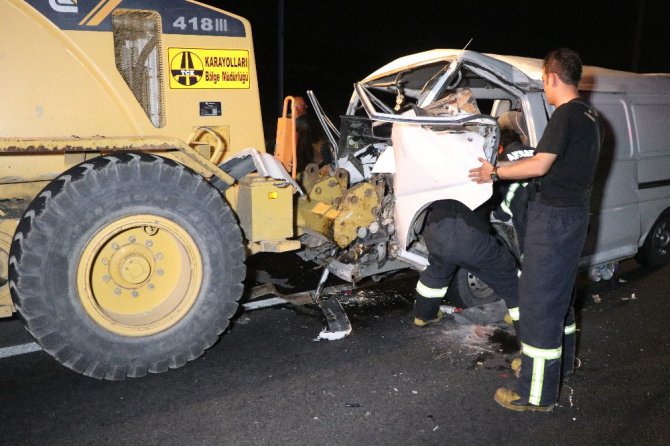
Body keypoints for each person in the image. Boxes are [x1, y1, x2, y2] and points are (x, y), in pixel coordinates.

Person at [469, 48, 602, 412]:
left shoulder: (566, 115)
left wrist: (492, 172)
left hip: (554, 221)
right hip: (572, 217)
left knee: (540, 305)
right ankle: (561, 365)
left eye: (544, 81)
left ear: (552, 78)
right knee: (559, 297)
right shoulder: (592, 116)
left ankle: (536, 392)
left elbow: (540, 164)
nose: (545, 87)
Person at [413, 114, 534, 341]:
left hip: (436, 232)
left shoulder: (450, 163)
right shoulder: (487, 169)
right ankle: (525, 327)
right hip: (470, 239)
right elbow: (501, 207)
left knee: (436, 274)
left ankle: (423, 315)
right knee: (511, 279)